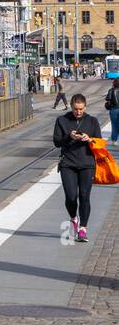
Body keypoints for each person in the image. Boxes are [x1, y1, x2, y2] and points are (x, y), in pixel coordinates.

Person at [53, 93, 99, 243]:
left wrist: (89, 139)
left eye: (81, 109)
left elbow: (99, 141)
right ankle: (74, 217)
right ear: (71, 107)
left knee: (84, 196)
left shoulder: (92, 121)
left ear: (85, 106)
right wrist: (69, 137)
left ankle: (83, 229)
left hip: (87, 164)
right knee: (71, 197)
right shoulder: (62, 120)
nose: (78, 112)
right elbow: (57, 142)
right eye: (75, 109)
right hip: (68, 164)